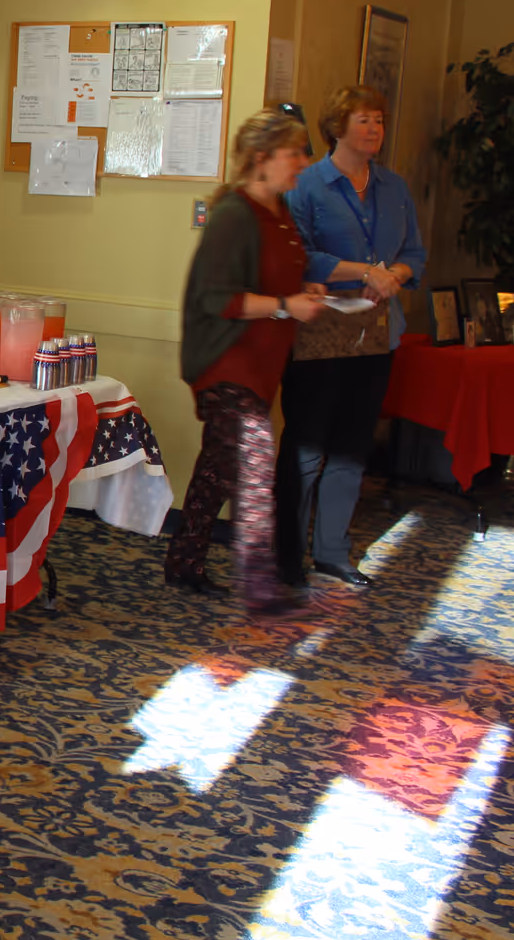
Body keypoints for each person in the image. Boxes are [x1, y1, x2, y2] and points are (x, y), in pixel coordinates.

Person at [166, 110, 328, 613]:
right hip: (225, 358)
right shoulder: (235, 213)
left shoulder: (279, 211)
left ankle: (184, 561)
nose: (304, 162)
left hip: (261, 362)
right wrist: (285, 305)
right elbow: (216, 297)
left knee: (218, 466)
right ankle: (261, 585)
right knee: (254, 461)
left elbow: (272, 278)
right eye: (294, 153)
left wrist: (303, 292)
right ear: (263, 158)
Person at [275, 85, 428, 589]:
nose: (374, 129)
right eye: (364, 119)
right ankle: (288, 555)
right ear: (338, 126)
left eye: (380, 120)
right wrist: (366, 271)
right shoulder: (308, 183)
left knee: (352, 446)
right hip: (321, 333)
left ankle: (333, 553)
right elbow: (298, 254)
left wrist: (394, 276)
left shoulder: (394, 187)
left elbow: (416, 255)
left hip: (378, 333)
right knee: (308, 445)